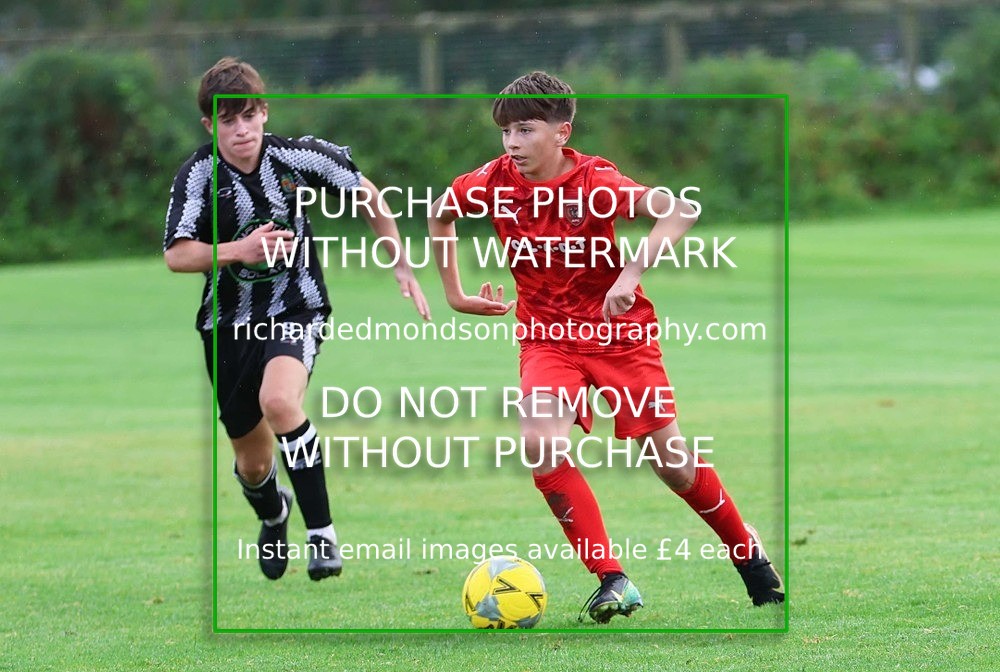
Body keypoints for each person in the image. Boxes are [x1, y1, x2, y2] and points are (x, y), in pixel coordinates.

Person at [428, 71, 783, 622]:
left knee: (672, 465)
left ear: (561, 132)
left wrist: (630, 272)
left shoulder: (595, 182)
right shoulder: (492, 181)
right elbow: (441, 211)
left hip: (619, 337)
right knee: (541, 445)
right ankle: (612, 577)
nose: (512, 144)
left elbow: (680, 211)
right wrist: (454, 295)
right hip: (547, 339)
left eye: (525, 130)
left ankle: (747, 551)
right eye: (506, 133)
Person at [163, 57, 430, 582]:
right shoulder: (198, 174)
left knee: (280, 401)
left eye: (248, 116)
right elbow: (177, 254)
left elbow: (366, 193)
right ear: (209, 126)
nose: (240, 130)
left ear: (264, 112)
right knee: (253, 464)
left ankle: (322, 535)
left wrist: (400, 261)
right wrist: (240, 249)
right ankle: (273, 512)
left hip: (296, 307)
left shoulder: (296, 157)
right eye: (227, 120)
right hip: (227, 325)